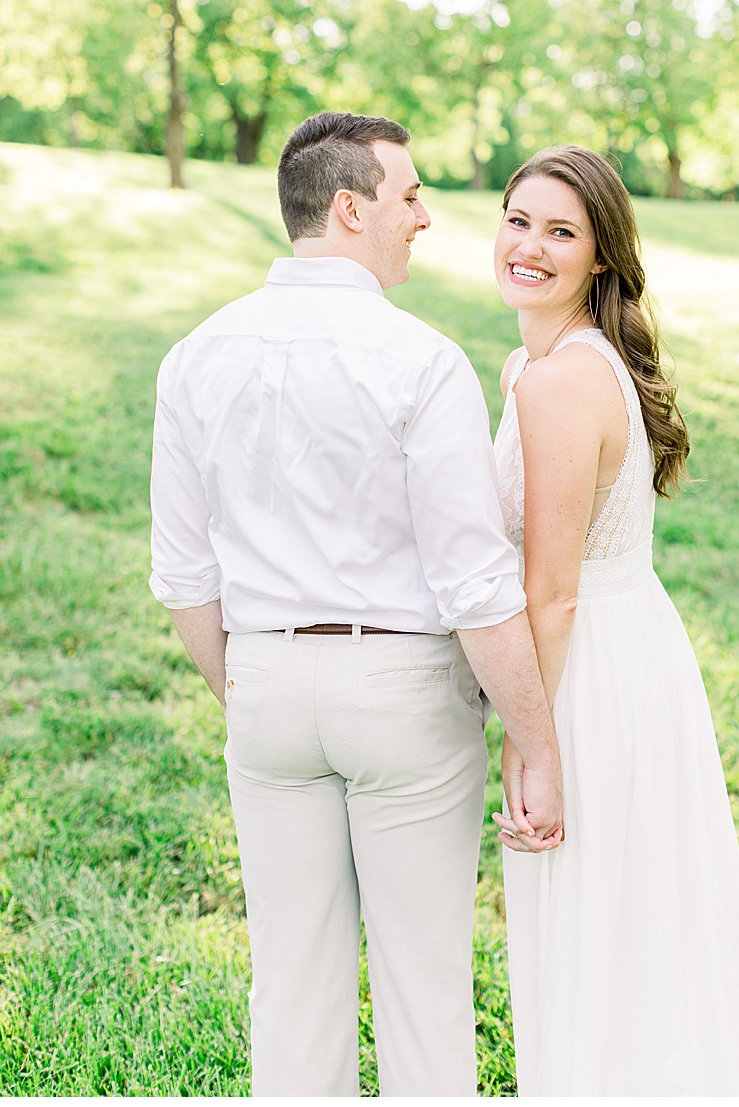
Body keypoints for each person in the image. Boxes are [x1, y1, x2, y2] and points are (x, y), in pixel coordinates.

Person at [150, 110, 564, 1097]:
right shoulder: (421, 361)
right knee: (424, 983)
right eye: (410, 195)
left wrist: (247, 683)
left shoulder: (193, 357)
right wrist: (536, 740)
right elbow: (474, 585)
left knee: (291, 981)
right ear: (349, 207)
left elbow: (182, 574)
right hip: (405, 689)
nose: (424, 216)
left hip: (262, 683)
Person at [489, 146, 739, 1095]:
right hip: (632, 650)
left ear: (600, 259)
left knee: (599, 925)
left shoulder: (560, 381)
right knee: (639, 922)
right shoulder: (544, 362)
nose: (529, 247)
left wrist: (529, 738)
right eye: (518, 219)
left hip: (588, 670)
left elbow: (553, 591)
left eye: (561, 231)